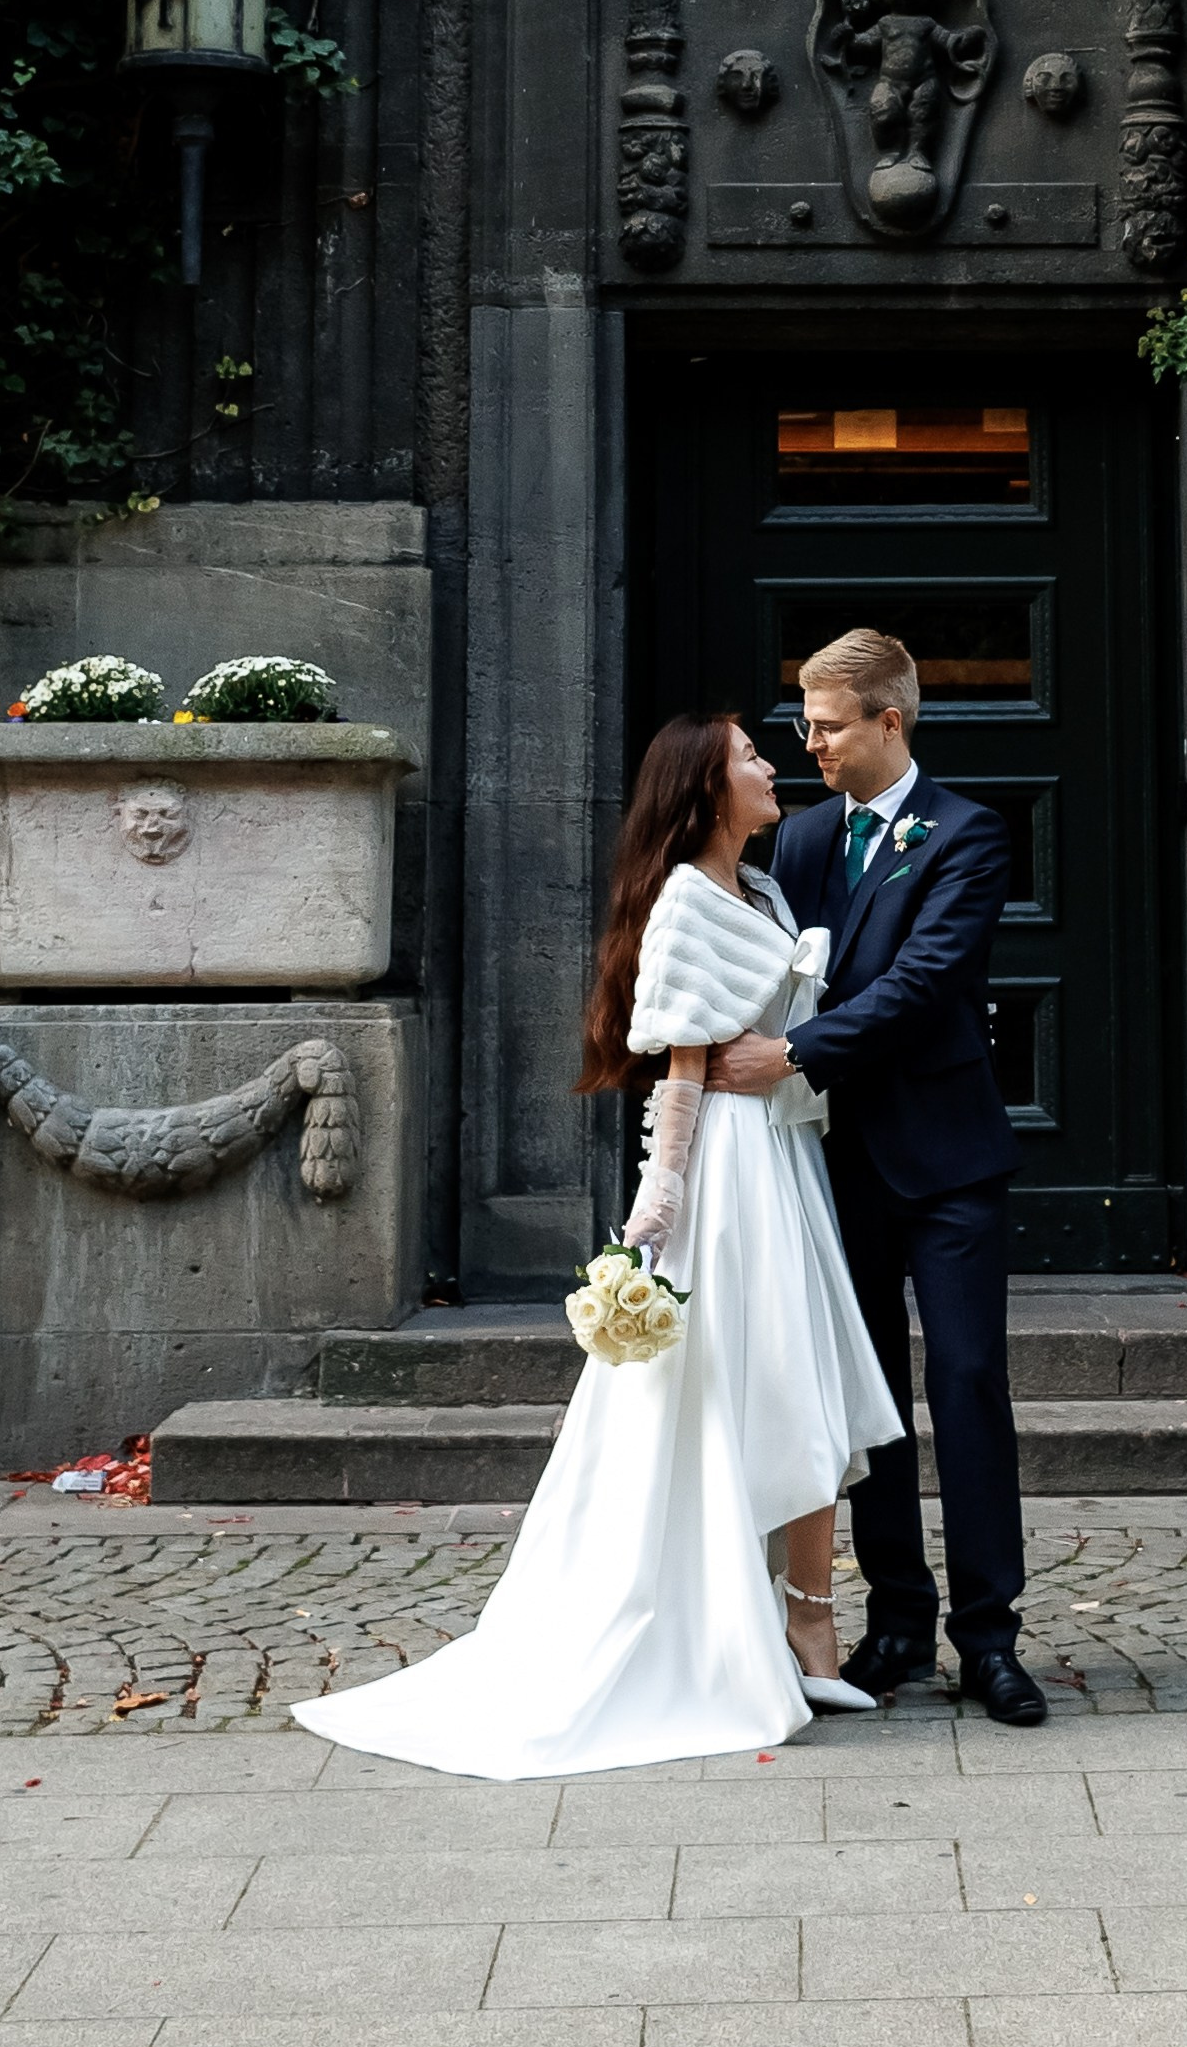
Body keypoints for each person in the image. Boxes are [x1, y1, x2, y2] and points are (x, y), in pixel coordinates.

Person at [290, 712, 902, 1779]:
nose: (771, 764)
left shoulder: (760, 889)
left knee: (799, 1385)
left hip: (785, 1158)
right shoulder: (684, 904)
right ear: (708, 789)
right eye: (750, 756)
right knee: (741, 1389)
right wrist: (651, 1215)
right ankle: (765, 1631)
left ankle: (809, 1627)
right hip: (730, 1178)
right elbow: (679, 1073)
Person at [707, 624, 1046, 1726]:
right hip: (829, 1159)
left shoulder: (968, 834)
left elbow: (924, 978)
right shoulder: (799, 840)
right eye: (802, 724)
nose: (808, 742)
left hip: (947, 1161)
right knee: (865, 1404)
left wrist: (793, 1052)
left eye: (828, 724)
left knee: (965, 1385)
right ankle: (896, 1617)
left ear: (888, 720)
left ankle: (989, 1637)